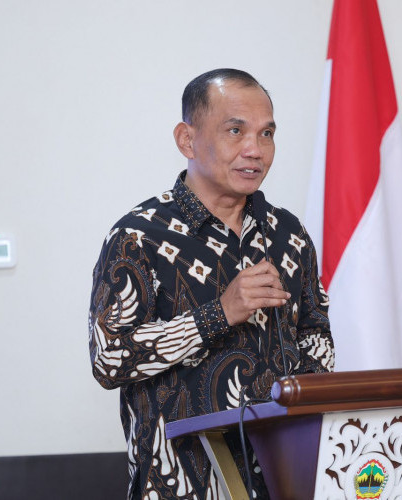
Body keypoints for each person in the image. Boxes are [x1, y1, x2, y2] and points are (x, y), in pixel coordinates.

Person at [88, 68, 334, 499]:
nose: (254, 150)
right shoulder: (139, 236)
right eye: (235, 131)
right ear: (187, 140)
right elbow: (109, 360)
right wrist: (218, 314)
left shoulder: (288, 233)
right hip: (183, 484)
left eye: (266, 133)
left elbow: (317, 336)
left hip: (284, 480)